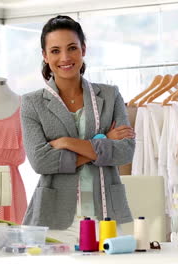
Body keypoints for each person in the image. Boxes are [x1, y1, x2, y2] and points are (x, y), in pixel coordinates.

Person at [21, 15, 135, 245]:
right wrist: (104, 141)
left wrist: (66, 142)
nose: (65, 57)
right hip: (54, 218)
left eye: (72, 48)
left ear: (83, 49)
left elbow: (124, 152)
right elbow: (40, 162)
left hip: (107, 214)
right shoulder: (32, 103)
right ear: (45, 56)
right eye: (55, 51)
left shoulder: (110, 96)